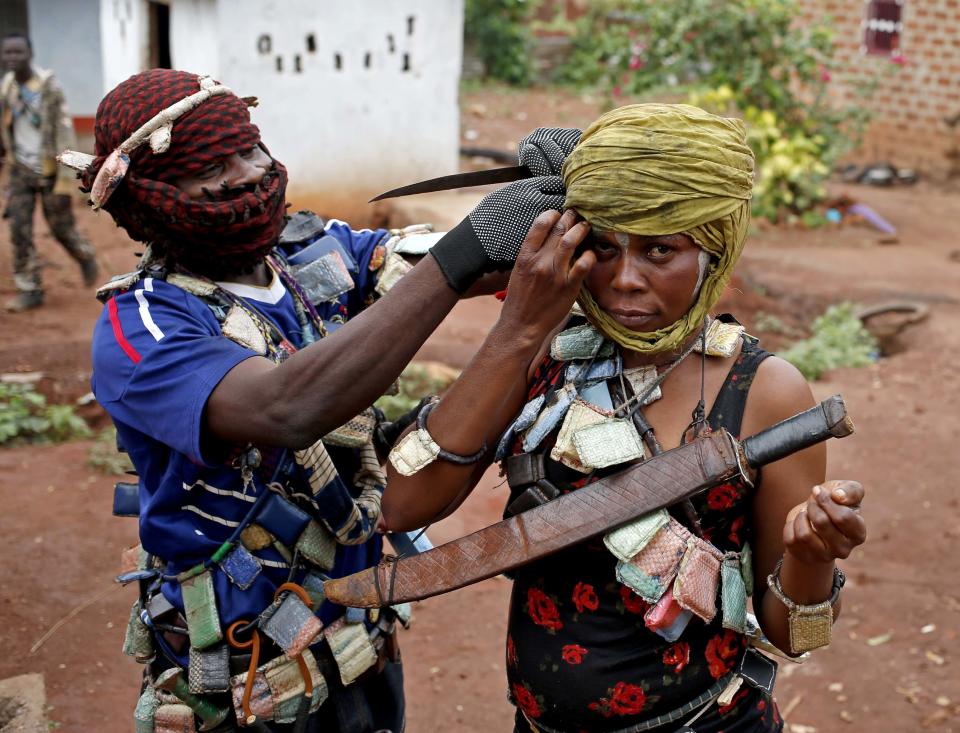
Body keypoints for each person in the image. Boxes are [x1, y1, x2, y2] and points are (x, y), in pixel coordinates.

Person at [67, 68, 570, 732]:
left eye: (250, 148)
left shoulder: (308, 253)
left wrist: (573, 201)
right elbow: (285, 407)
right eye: (212, 166)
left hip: (357, 649)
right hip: (249, 690)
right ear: (152, 196)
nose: (249, 172)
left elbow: (461, 264)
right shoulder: (142, 326)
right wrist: (466, 248)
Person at [381, 104, 868, 733]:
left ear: (713, 252)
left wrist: (809, 557)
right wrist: (519, 329)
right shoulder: (546, 349)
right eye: (604, 248)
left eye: (660, 251)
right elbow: (406, 504)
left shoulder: (765, 392)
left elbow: (787, 634)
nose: (625, 280)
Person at [0, 31, 97, 312]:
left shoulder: (48, 88)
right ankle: (29, 288)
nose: (12, 58)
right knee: (19, 229)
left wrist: (67, 177)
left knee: (61, 228)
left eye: (18, 52)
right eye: (7, 52)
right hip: (20, 170)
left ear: (30, 54)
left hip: (50, 170)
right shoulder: (7, 87)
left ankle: (85, 256)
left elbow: (64, 132)